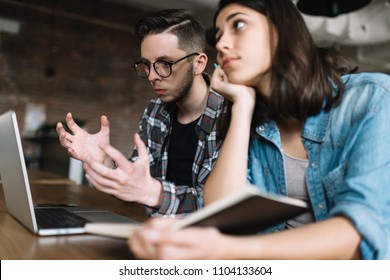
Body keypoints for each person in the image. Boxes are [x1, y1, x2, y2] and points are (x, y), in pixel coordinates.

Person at [128, 0, 390, 259]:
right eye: (218, 36)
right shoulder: (253, 120)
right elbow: (222, 213)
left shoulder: (373, 98)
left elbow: (360, 234)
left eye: (239, 25)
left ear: (282, 30)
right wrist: (242, 105)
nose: (221, 44)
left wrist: (227, 250)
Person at [56, 9, 228, 217]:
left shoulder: (229, 116)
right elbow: (134, 186)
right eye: (146, 65)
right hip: (154, 234)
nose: (152, 76)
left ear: (199, 63)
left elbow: (218, 205)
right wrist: (105, 161)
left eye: (165, 64)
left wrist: (153, 194)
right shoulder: (155, 111)